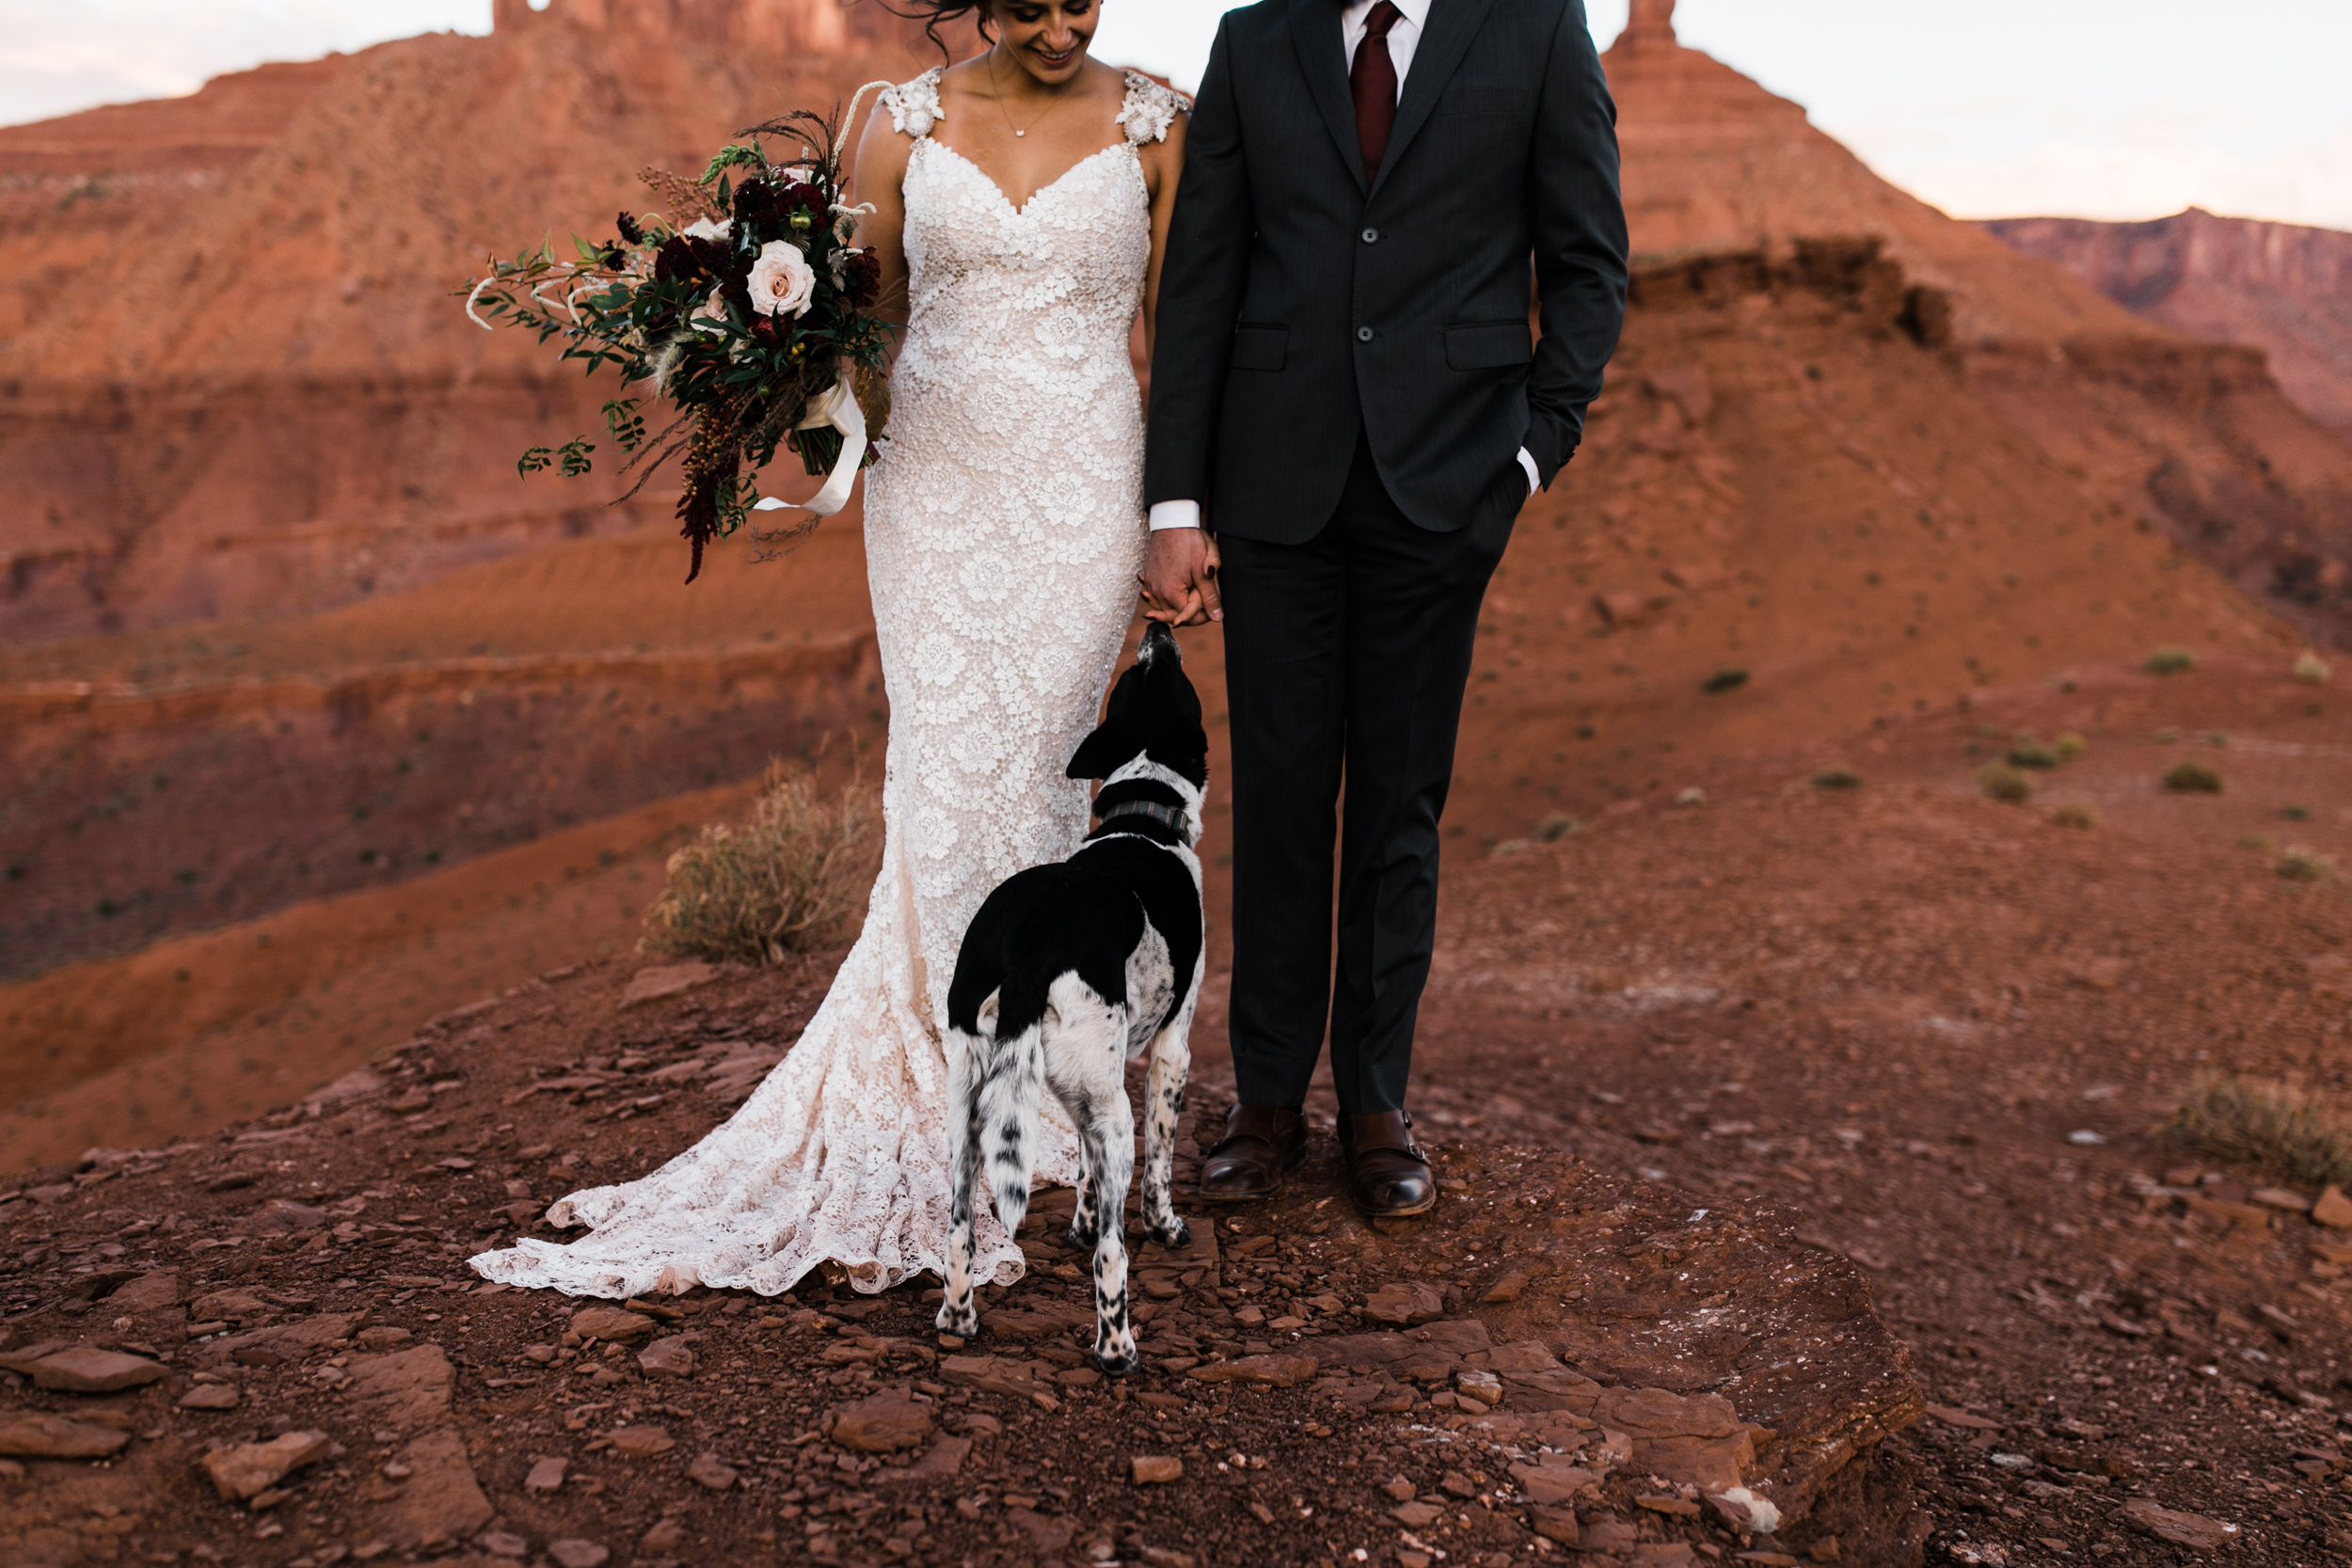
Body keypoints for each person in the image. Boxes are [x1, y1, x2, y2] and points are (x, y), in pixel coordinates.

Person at [471, 0, 1190, 1299]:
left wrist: (1178, 518)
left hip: (1088, 484)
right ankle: (954, 1064)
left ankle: (1027, 1061)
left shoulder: (1158, 125)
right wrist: (759, 356)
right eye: (1027, 6)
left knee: (1041, 766)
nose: (1059, 27)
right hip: (938, 494)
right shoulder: (898, 121)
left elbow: (1178, 337)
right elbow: (869, 325)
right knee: (946, 762)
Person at [1137, 0, 1628, 1216]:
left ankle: (1374, 1102)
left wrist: (1528, 458)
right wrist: (1177, 500)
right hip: (1273, 486)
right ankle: (1265, 1103)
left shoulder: (1536, 30)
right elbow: (1204, 269)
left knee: (1401, 803)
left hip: (1446, 488)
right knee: (1288, 797)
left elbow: (1588, 263)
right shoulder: (1257, 40)